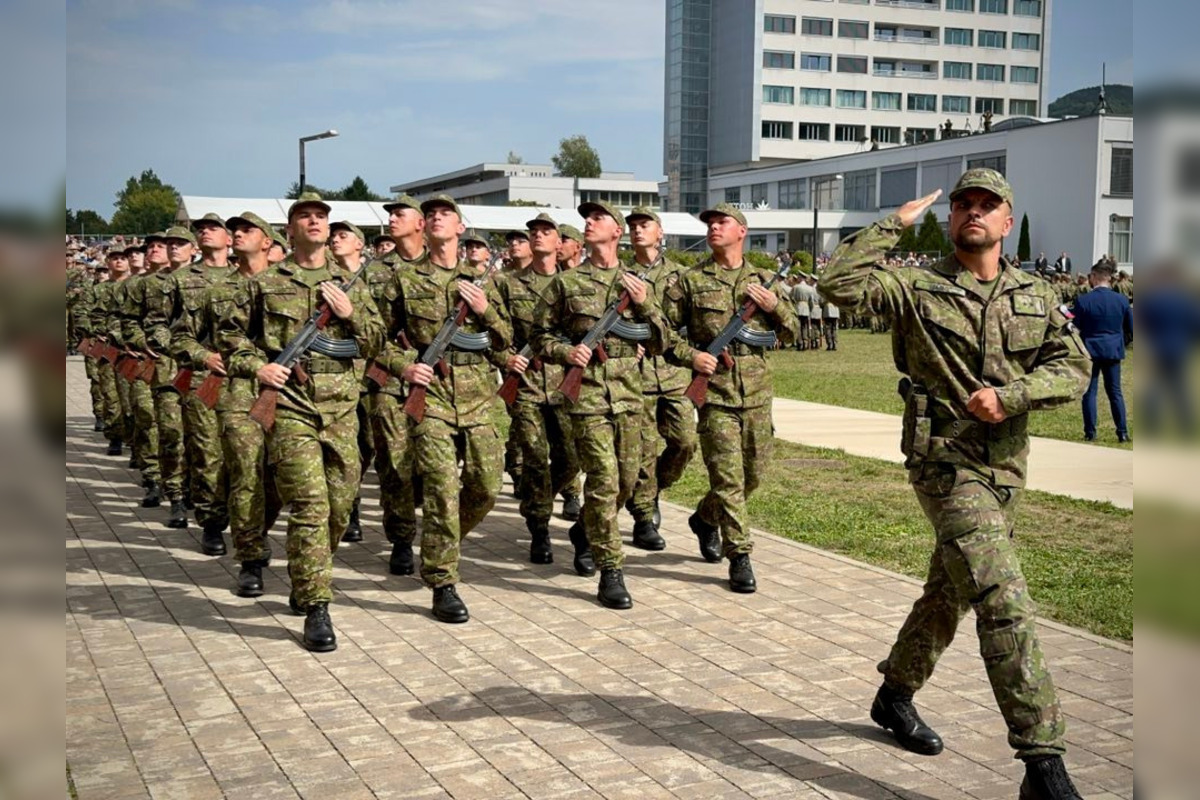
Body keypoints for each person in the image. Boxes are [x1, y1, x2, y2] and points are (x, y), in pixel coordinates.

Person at [819, 169, 1091, 800]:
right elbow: (837, 284)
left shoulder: (1035, 291)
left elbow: (1072, 365)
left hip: (1006, 466)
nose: (973, 212)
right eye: (963, 204)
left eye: (986, 205)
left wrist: (1013, 396)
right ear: (951, 220)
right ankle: (1042, 762)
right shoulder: (916, 286)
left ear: (1006, 220)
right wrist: (895, 222)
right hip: (944, 462)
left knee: (951, 591)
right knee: (1002, 597)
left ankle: (895, 694)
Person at [220, 193, 384, 652]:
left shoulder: (351, 284)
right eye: (303, 217)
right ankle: (316, 604)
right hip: (290, 407)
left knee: (339, 503)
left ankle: (305, 572)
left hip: (342, 411)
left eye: (321, 217)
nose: (313, 222)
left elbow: (376, 341)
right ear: (289, 231)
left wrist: (351, 316)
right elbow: (231, 335)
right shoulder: (267, 283)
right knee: (310, 504)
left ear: (329, 229)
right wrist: (258, 367)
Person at [374, 194, 511, 624]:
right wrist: (404, 366)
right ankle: (442, 580)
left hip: (478, 400)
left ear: (460, 227)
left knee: (486, 487)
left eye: (444, 214)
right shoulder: (404, 279)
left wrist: (486, 311)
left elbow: (506, 341)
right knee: (439, 490)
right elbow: (374, 339)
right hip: (430, 399)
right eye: (429, 214)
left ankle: (441, 540)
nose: (435, 218)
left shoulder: (485, 280)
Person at [531, 200, 668, 609]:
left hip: (629, 396)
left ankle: (584, 532)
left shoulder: (636, 283)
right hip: (587, 396)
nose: (588, 223)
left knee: (627, 482)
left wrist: (643, 303)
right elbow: (540, 336)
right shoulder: (565, 284)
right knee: (604, 480)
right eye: (586, 219)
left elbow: (662, 341)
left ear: (616, 232)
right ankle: (612, 571)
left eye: (597, 219)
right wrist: (565, 353)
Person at [662, 203, 797, 594]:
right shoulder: (690, 280)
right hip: (716, 395)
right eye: (710, 223)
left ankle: (705, 518)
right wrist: (692, 356)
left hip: (756, 394)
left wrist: (774, 309)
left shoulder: (765, 281)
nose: (714, 228)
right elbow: (661, 331)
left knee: (753, 474)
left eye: (722, 222)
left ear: (742, 231)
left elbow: (792, 333)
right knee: (728, 477)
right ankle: (739, 555)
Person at [173, 211, 281, 598]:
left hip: (290, 394)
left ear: (267, 241)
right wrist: (204, 357)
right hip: (237, 393)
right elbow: (181, 338)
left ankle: (256, 533)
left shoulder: (288, 284)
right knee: (246, 473)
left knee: (277, 479)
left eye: (247, 230)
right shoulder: (218, 291)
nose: (236, 235)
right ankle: (250, 558)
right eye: (233, 231)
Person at [495, 212, 577, 562]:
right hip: (527, 385)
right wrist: (505, 359)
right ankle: (539, 528)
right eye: (534, 232)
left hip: (566, 386)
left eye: (547, 232)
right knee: (534, 458)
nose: (539, 236)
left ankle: (536, 498)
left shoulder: (575, 284)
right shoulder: (508, 284)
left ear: (560, 243)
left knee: (571, 458)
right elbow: (491, 333)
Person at [150, 215, 233, 555]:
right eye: (201, 229)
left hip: (247, 378)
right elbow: (158, 326)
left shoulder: (249, 277)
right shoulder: (181, 280)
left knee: (246, 457)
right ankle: (212, 523)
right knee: (207, 452)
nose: (205, 231)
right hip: (202, 377)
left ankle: (248, 527)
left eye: (213, 227)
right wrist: (197, 354)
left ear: (230, 238)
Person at [625, 206, 697, 550]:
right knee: (642, 449)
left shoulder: (682, 276)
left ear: (660, 231)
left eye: (645, 224)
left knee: (685, 443)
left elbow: (692, 324)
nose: (638, 230)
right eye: (633, 226)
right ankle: (643, 517)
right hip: (635, 376)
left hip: (673, 374)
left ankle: (653, 489)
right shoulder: (620, 275)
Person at [365, 195, 426, 575]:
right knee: (394, 465)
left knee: (430, 466)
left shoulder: (444, 267)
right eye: (389, 214)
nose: (392, 219)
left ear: (420, 223)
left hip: (438, 382)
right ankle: (402, 539)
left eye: (399, 213)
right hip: (388, 380)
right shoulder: (374, 272)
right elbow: (368, 332)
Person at [1072, 260, 1133, 442]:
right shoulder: (1121, 300)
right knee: (1115, 392)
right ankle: (1122, 432)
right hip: (1113, 349)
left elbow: (1075, 327)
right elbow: (1131, 327)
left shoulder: (1083, 300)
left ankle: (1090, 432)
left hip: (1090, 349)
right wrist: (1121, 340)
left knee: (1090, 392)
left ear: (1096, 276)